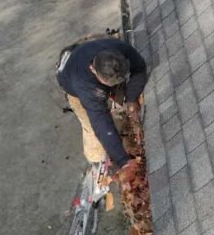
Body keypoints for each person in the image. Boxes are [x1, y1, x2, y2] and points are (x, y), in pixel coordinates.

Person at [57, 35, 147, 183]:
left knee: (120, 96)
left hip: (86, 50)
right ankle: (98, 162)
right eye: (109, 82)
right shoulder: (85, 87)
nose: (113, 85)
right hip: (71, 79)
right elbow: (101, 122)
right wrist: (123, 160)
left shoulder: (118, 49)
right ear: (93, 69)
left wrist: (131, 98)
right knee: (94, 133)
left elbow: (139, 68)